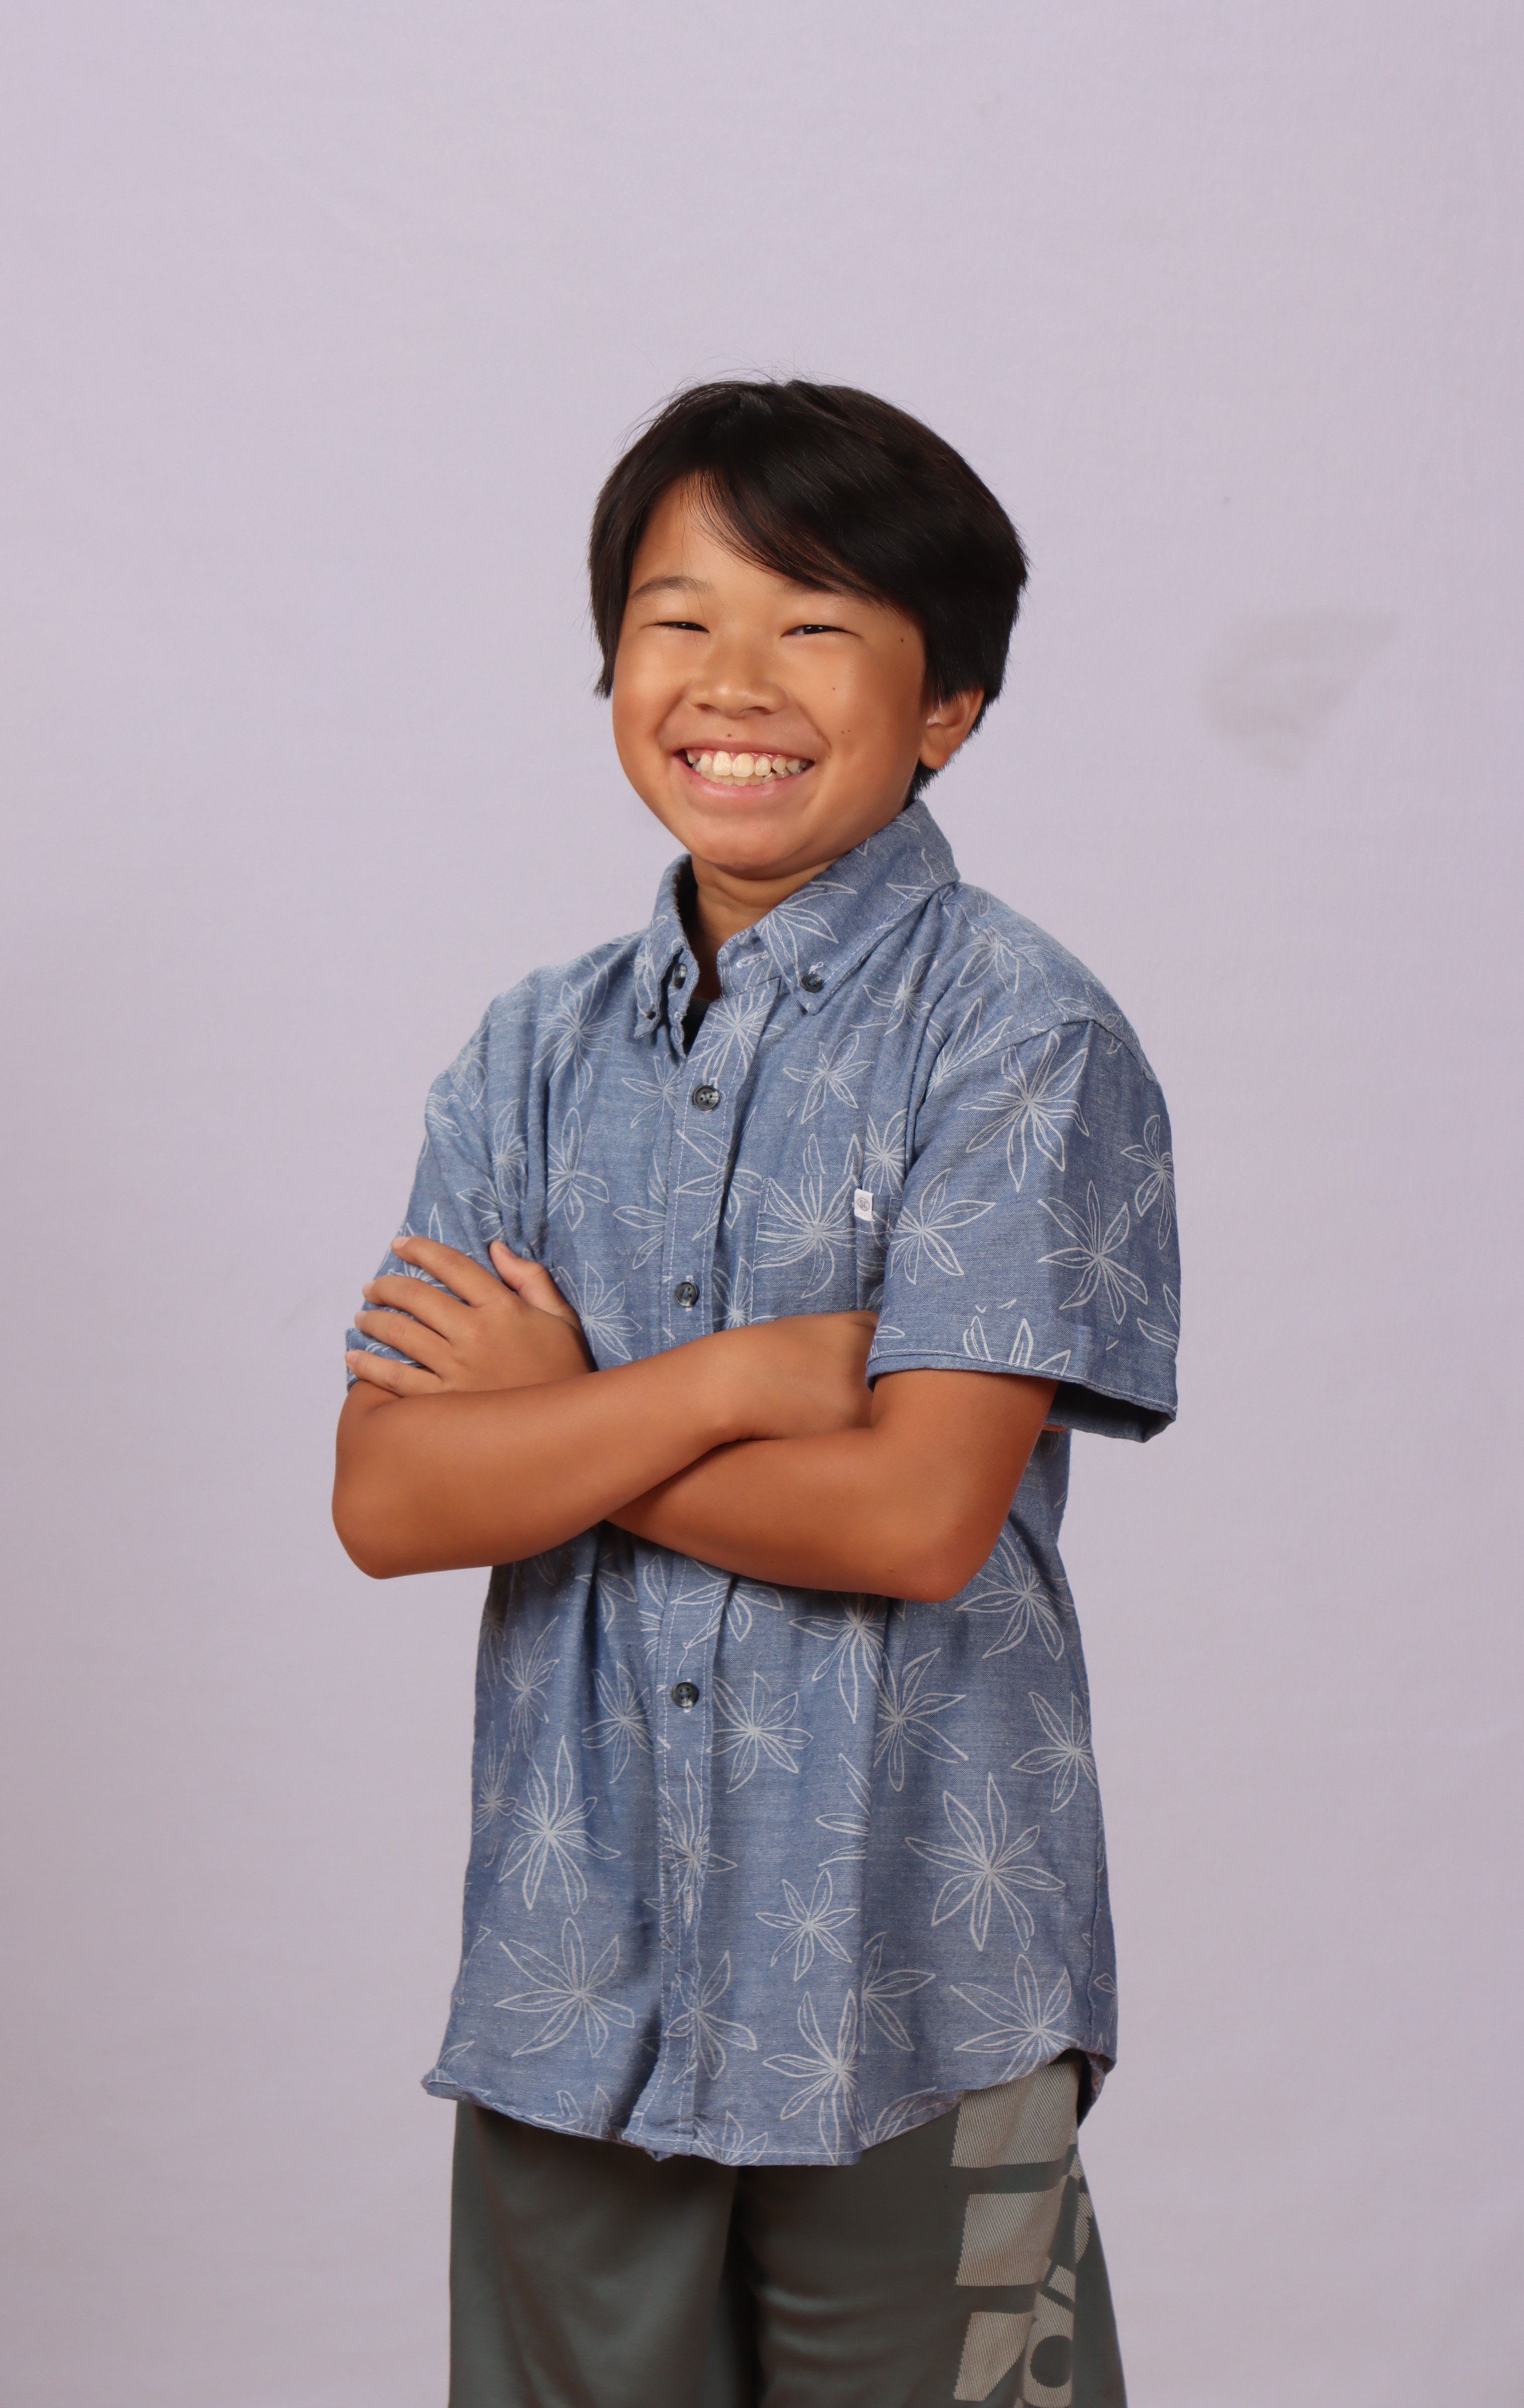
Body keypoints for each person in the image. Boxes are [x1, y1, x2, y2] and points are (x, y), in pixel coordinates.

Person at [334, 379, 1179, 2407]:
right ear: (612, 662)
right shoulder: (528, 1056)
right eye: (677, 617)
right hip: (577, 1982)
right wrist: (731, 1382)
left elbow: (914, 1518)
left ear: (946, 704)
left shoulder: (1018, 1038)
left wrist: (561, 1424)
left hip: (922, 1987)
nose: (732, 682)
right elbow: (390, 1501)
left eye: (812, 626)